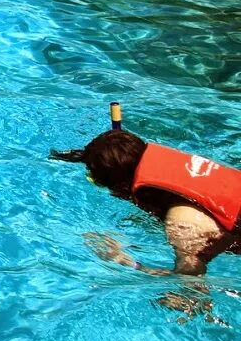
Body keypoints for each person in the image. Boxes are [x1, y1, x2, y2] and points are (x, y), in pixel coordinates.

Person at [52, 117, 241, 276]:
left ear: (121, 186)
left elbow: (192, 290)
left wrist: (125, 262)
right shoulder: (184, 170)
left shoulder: (182, 222)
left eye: (97, 182)